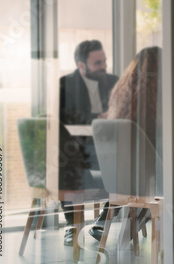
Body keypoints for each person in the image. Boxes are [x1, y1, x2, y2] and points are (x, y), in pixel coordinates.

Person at [59, 40, 118, 246]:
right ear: (81, 65)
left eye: (104, 61)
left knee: (133, 167)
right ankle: (71, 226)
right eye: (97, 63)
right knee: (65, 161)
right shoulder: (65, 85)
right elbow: (64, 125)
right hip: (78, 151)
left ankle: (101, 222)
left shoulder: (114, 82)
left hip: (110, 150)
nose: (103, 66)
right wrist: (97, 121)